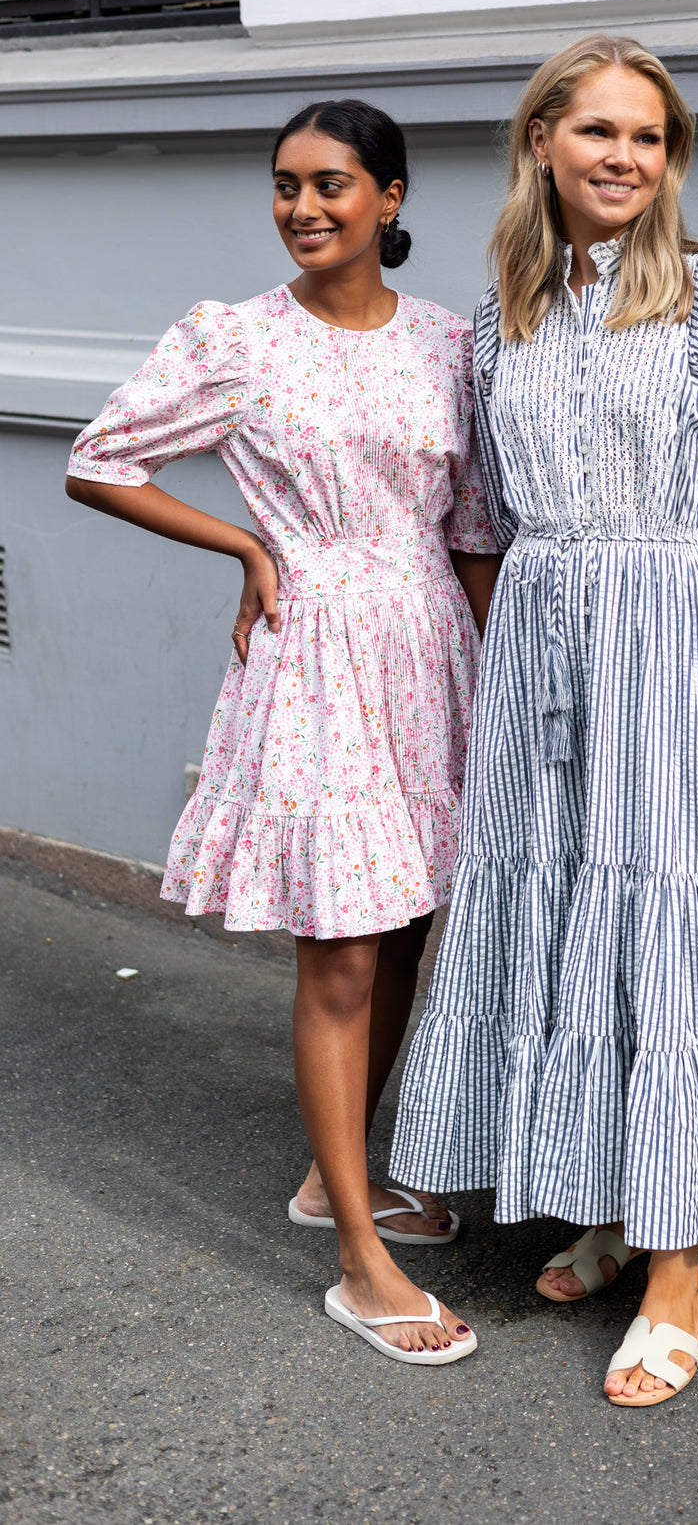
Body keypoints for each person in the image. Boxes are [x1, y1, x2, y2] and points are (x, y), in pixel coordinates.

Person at [390, 35, 698, 1405]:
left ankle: (679, 1274)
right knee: (560, 926)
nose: (623, 158)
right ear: (541, 140)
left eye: (647, 138)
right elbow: (478, 511)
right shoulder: (501, 317)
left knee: (662, 931)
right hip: (539, 654)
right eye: (596, 130)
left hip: (667, 647)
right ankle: (610, 1198)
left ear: (670, 158)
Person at [65, 99, 504, 1365]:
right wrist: (246, 539)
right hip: (312, 650)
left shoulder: (449, 345)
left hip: (431, 648)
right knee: (343, 952)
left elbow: (470, 527)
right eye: (285, 186)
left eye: (331, 185)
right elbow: (101, 460)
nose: (304, 208)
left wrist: (507, 672)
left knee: (412, 919)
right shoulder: (235, 338)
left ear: (393, 198)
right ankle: (362, 1265)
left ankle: (336, 1180)